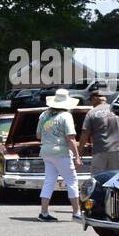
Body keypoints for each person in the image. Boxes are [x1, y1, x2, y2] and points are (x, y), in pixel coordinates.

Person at [35, 88, 84, 222]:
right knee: (72, 181)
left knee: (49, 181)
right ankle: (76, 212)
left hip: (46, 151)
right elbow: (70, 138)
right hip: (61, 153)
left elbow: (38, 135)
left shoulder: (44, 115)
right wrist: (77, 156)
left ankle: (43, 212)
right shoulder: (66, 116)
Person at [80, 84, 119, 174]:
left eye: (91, 101)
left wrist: (80, 151)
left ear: (95, 98)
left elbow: (85, 133)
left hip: (99, 152)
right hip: (118, 152)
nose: (91, 103)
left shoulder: (91, 113)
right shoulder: (116, 110)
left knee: (98, 179)